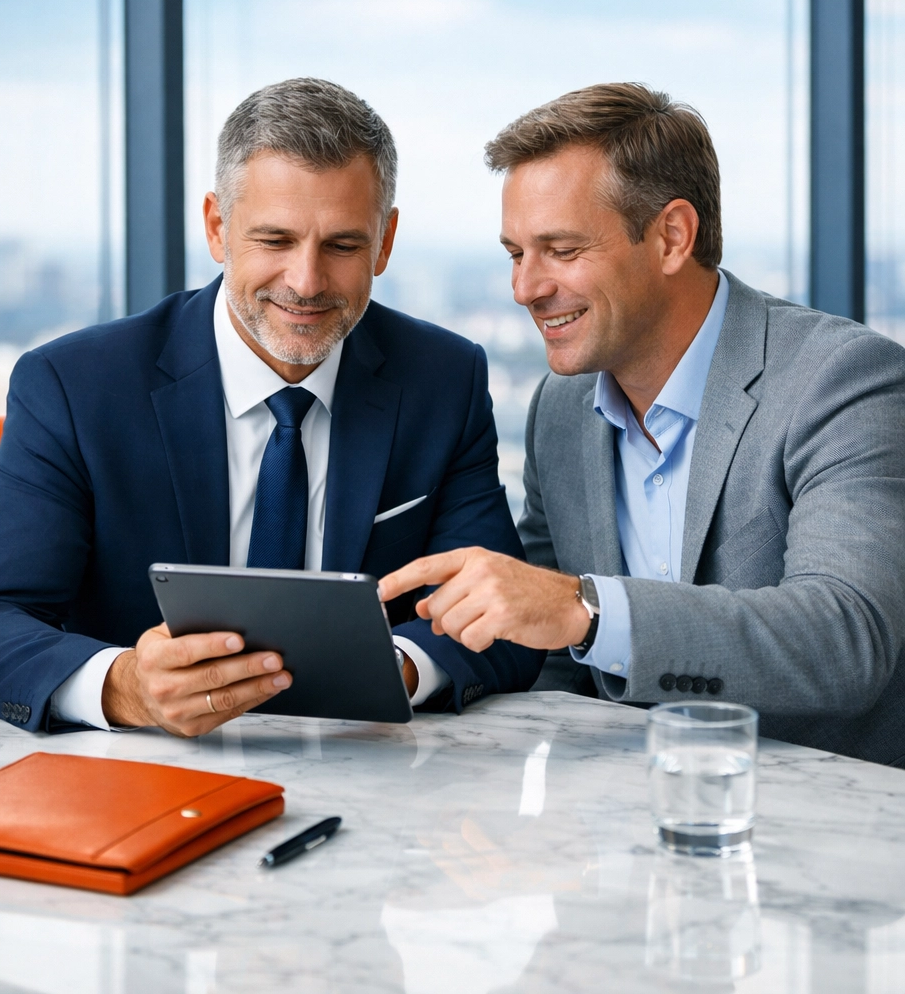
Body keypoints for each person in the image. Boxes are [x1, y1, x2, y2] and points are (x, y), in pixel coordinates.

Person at [0, 77, 543, 737]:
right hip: (126, 780)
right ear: (218, 228)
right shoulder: (75, 386)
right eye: (275, 241)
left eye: (341, 245)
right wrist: (125, 687)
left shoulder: (442, 380)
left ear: (385, 241)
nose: (306, 282)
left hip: (364, 774)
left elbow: (502, 619)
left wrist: (396, 668)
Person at [380, 82, 905, 765]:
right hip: (620, 827)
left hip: (824, 833)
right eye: (516, 253)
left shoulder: (842, 378)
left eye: (562, 251)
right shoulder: (561, 411)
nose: (525, 289)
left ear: (671, 237)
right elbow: (548, 647)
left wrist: (588, 610)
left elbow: (846, 639)